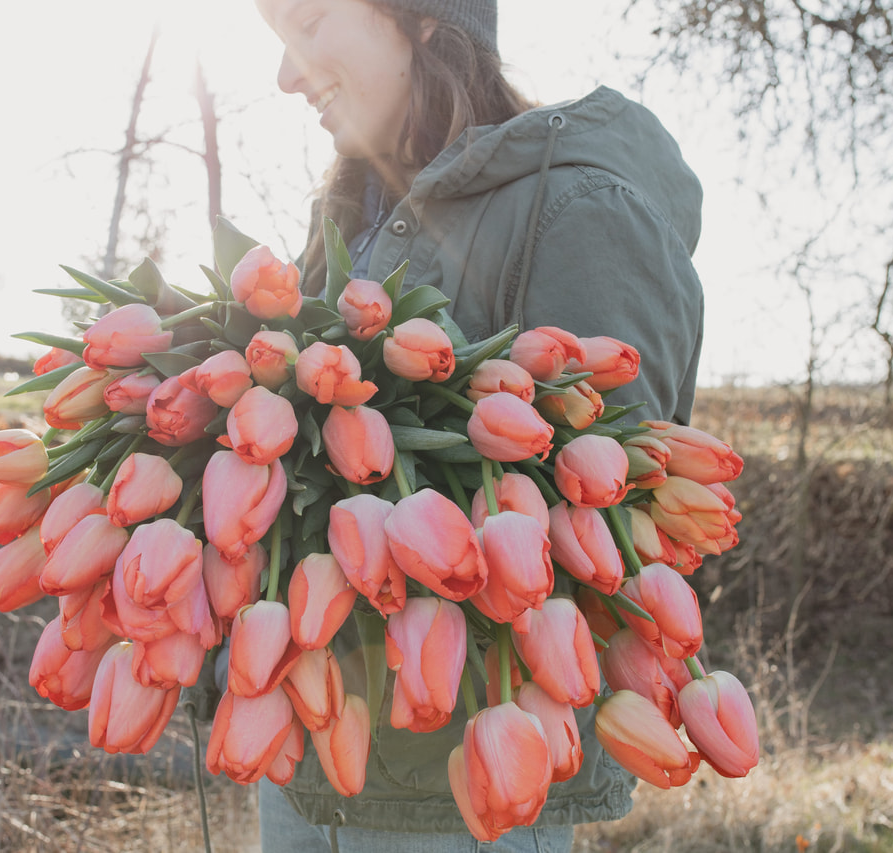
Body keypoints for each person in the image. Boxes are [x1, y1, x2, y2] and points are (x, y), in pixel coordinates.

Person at [249, 0, 706, 849]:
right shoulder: (350, 223)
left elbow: (619, 505)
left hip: (465, 781)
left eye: (309, 24)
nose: (286, 74)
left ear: (425, 20)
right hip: (311, 744)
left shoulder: (576, 207)